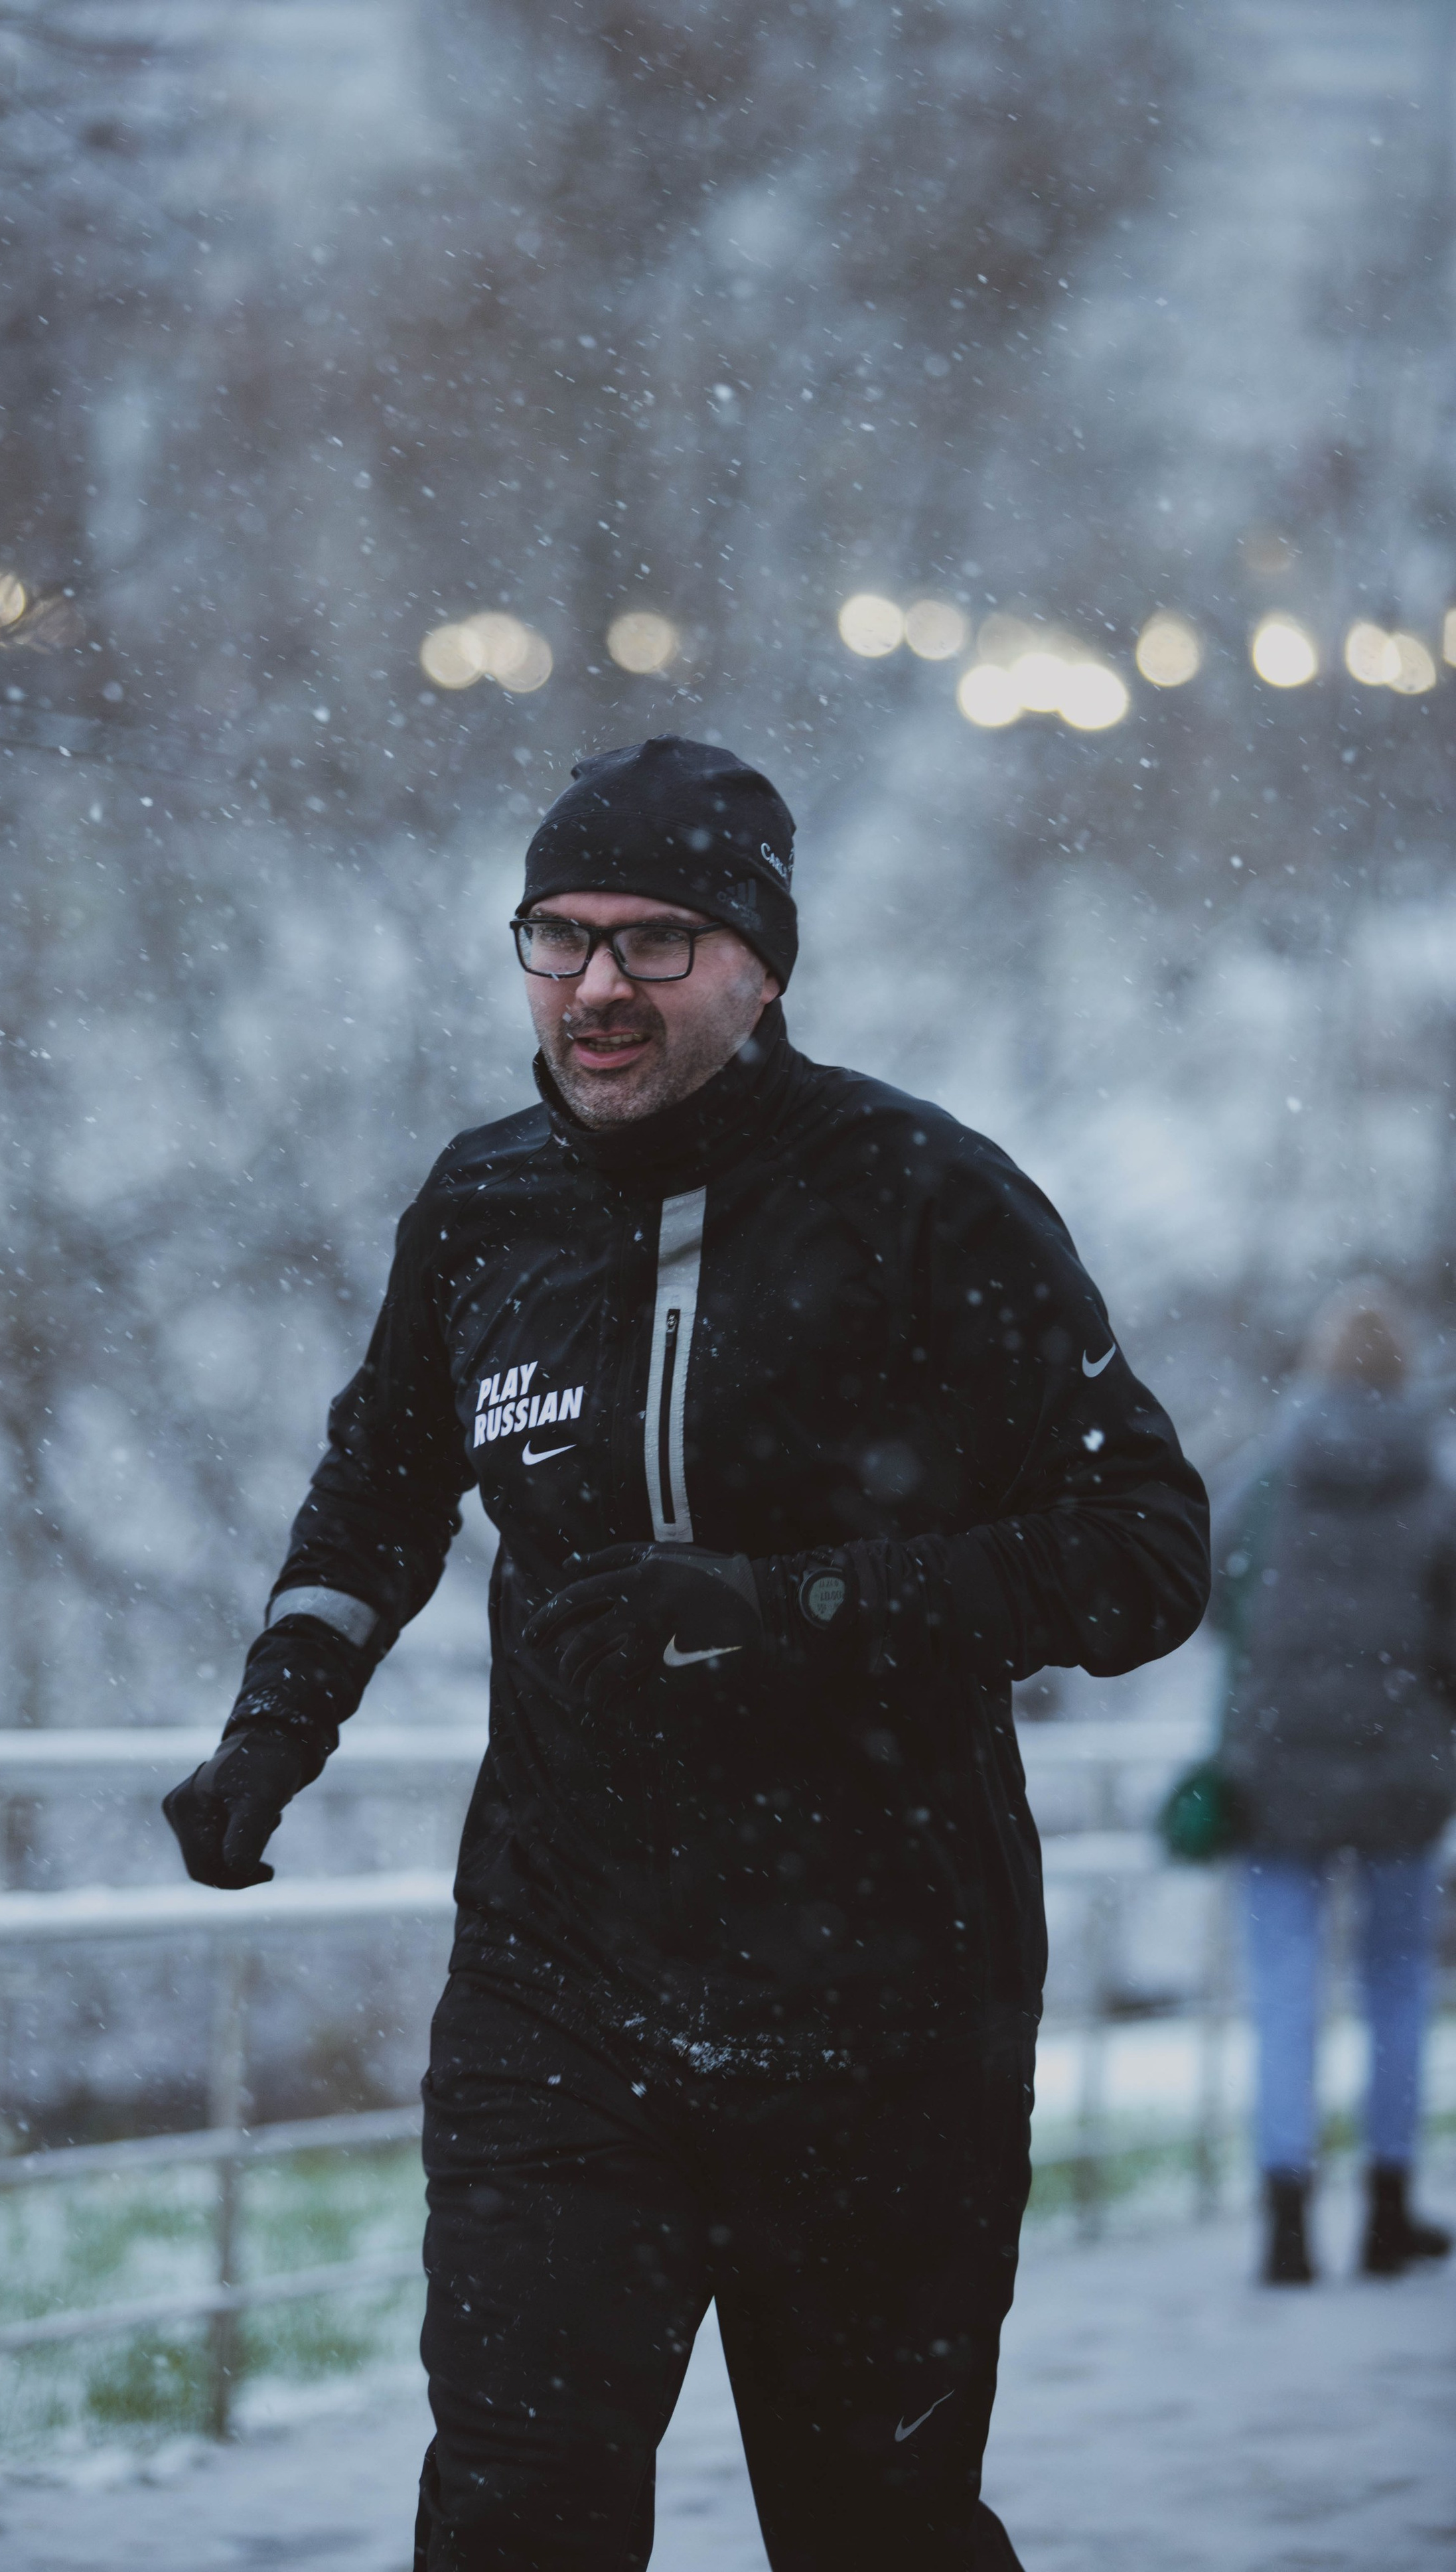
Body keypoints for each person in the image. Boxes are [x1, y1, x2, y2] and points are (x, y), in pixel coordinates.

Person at [164, 735, 1210, 2571]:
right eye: (557, 939)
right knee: (515, 2517)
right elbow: (378, 1492)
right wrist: (278, 1720)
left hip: (888, 1998)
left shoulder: (923, 1198)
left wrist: (783, 1612)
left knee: (872, 2526)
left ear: (762, 965)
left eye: (655, 943)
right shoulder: (483, 1209)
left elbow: (1143, 1557)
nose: (595, 990)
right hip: (562, 1989)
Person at [1215, 1279, 1455, 2287]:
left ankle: (1284, 2220)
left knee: (1283, 1990)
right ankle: (1389, 2208)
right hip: (1404, 1769)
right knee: (1397, 1981)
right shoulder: (1436, 1487)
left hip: (1277, 1764)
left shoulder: (1270, 1478)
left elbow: (1209, 1590)